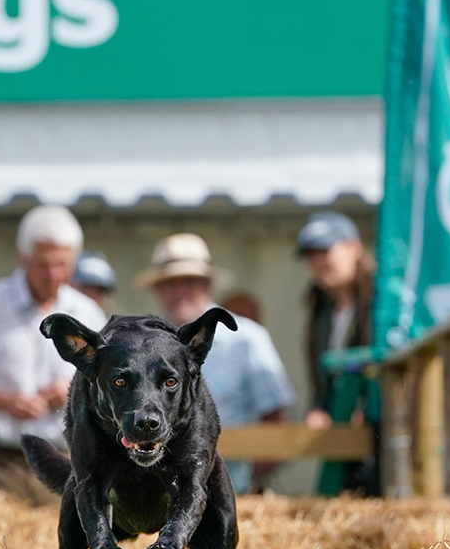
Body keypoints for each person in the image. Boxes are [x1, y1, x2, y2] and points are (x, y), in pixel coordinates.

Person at [0, 205, 107, 504]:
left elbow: (107, 383)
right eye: (43, 265)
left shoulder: (88, 313)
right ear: (22, 257)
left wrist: (74, 390)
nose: (53, 274)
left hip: (67, 459)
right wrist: (5, 402)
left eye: (62, 264)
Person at [135, 232, 296, 495]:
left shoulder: (246, 339)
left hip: (229, 491)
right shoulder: (140, 343)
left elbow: (277, 418)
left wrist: (241, 480)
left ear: (208, 285)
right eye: (170, 283)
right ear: (158, 290)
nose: (180, 291)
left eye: (189, 281)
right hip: (156, 496)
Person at [296, 210, 379, 495]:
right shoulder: (319, 311)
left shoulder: (383, 302)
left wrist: (364, 411)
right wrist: (318, 408)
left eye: (325, 250)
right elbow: (321, 378)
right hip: (341, 441)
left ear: (354, 249)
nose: (317, 261)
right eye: (311, 254)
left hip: (383, 436)